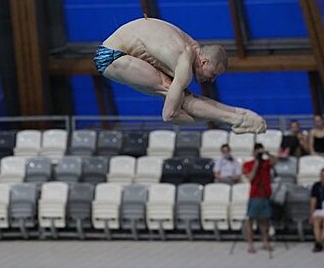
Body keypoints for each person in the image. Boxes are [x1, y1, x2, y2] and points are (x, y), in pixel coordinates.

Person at [94, 18, 266, 134]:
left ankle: (236, 114)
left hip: (123, 45)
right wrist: (222, 119)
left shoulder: (192, 46)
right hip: (110, 56)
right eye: (213, 74)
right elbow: (168, 115)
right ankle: (235, 119)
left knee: (181, 95)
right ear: (204, 62)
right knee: (170, 91)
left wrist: (234, 111)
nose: (212, 80)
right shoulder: (183, 59)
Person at [242, 143, 277, 253]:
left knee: (264, 220)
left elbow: (276, 161)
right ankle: (250, 244)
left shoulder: (266, 163)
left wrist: (267, 153)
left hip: (265, 194)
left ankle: (265, 242)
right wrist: (256, 163)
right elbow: (250, 177)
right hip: (254, 195)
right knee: (250, 220)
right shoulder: (248, 164)